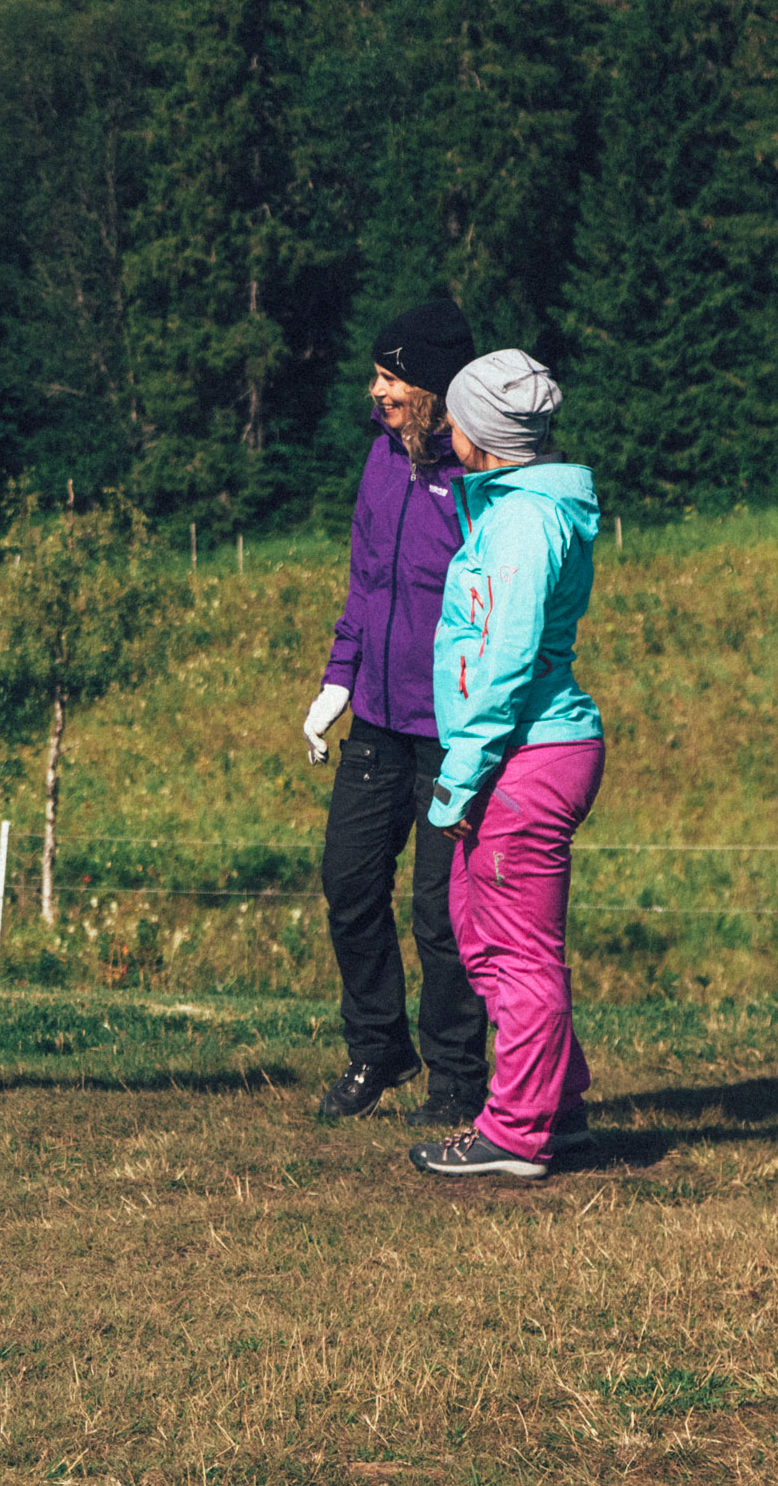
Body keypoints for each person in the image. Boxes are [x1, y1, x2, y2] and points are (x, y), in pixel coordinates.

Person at [409, 348, 605, 1182]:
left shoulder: (523, 522)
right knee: (478, 925)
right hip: (513, 752)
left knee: (518, 947)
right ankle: (554, 1107)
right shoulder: (507, 507)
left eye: (453, 416)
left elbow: (505, 661)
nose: (443, 428)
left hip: (524, 753)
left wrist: (460, 774)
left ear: (480, 433)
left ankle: (519, 1131)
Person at [305, 298, 489, 1125]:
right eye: (377, 374)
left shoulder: (479, 480)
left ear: (437, 389)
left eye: (392, 377)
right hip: (375, 719)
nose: (375, 390)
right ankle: (379, 1047)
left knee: (441, 914)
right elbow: (364, 581)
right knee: (347, 882)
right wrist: (337, 679)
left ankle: (456, 1077)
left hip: (452, 731)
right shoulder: (380, 461)